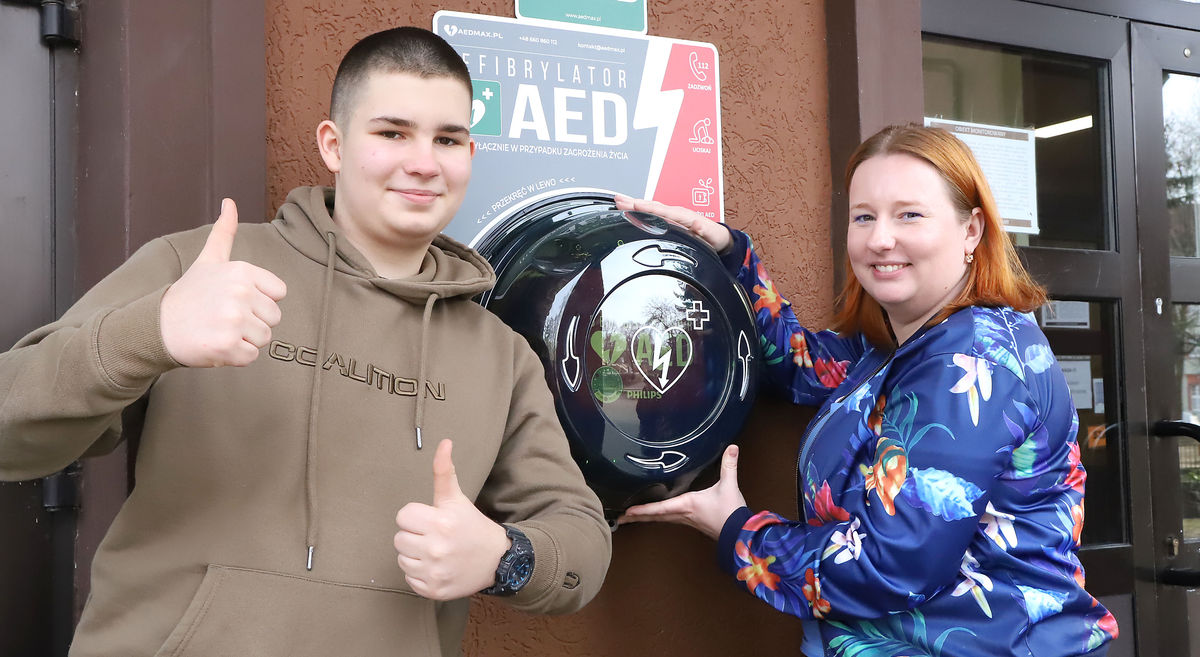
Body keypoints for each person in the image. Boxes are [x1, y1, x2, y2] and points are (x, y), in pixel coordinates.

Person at [0, 26, 611, 657]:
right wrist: (149, 334)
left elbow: (583, 540)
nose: (424, 162)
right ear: (334, 144)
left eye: (447, 139)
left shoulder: (500, 356)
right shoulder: (202, 268)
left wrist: (507, 558)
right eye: (392, 132)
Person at [615, 124, 1118, 656]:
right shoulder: (899, 345)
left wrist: (739, 532)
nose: (880, 238)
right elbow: (797, 365)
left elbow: (890, 565)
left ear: (972, 231)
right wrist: (730, 254)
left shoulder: (971, 362)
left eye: (909, 214)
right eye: (864, 216)